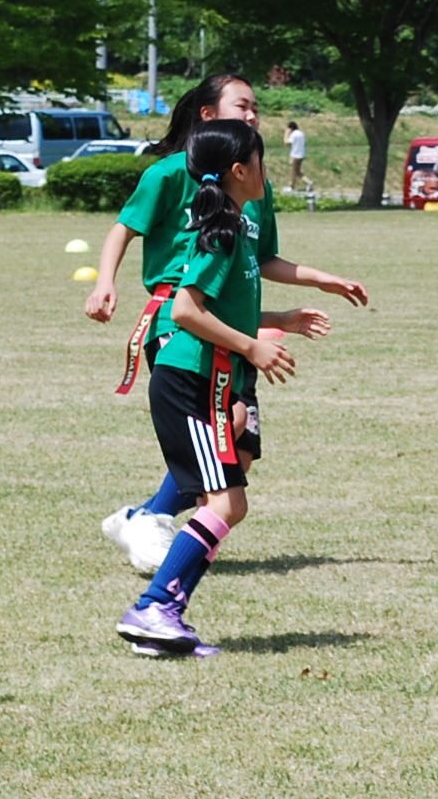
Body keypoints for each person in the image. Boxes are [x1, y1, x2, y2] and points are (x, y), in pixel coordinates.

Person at [85, 77, 366, 573]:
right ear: (208, 116)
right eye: (243, 105)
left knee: (243, 445)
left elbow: (262, 258)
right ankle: (156, 527)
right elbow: (123, 228)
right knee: (225, 429)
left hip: (232, 324)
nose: (254, 114)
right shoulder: (170, 174)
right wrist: (104, 281)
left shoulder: (254, 185)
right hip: (181, 320)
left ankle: (146, 517)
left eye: (257, 107)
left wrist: (320, 280)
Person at [117, 121, 329, 658]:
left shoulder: (234, 226)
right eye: (261, 162)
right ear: (240, 171)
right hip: (189, 379)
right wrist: (254, 347)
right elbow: (186, 311)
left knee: (229, 502)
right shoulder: (225, 229)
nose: (268, 172)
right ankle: (153, 608)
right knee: (227, 503)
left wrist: (281, 318)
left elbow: (224, 308)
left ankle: (159, 614)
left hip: (206, 380)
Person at [285, 120, 307, 191]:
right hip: (301, 154)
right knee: (297, 171)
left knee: (294, 172)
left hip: (295, 155)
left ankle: (292, 187)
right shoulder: (301, 133)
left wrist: (286, 134)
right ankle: (309, 183)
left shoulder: (294, 134)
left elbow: (287, 143)